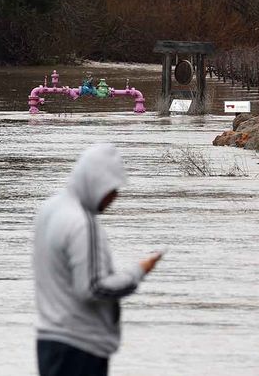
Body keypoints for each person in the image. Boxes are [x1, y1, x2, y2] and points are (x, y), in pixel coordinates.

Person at [33, 143, 163, 376]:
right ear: (96, 183)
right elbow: (92, 287)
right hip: (80, 346)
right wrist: (138, 271)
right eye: (112, 189)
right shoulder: (82, 222)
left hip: (49, 340)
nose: (115, 197)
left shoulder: (49, 210)